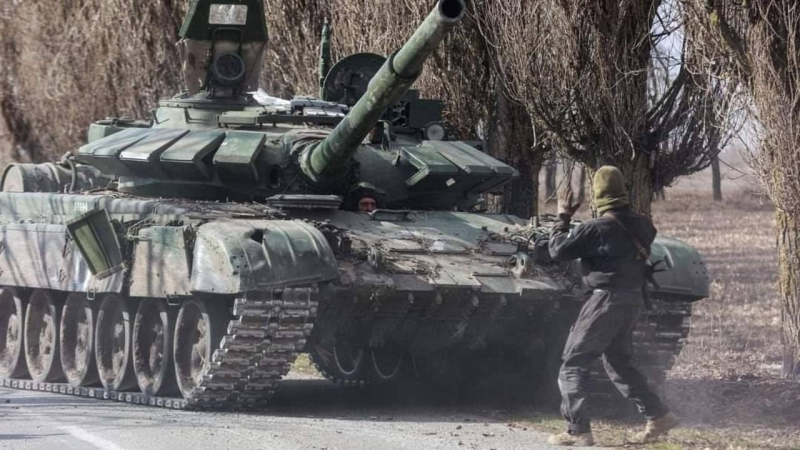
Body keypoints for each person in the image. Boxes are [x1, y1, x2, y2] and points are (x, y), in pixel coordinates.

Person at [546, 166, 680, 447]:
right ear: (623, 191)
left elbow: (558, 251)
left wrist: (562, 217)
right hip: (632, 300)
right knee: (619, 363)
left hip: (604, 300)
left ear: (597, 195)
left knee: (574, 362)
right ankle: (659, 416)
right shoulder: (644, 225)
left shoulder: (596, 228)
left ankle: (577, 430)